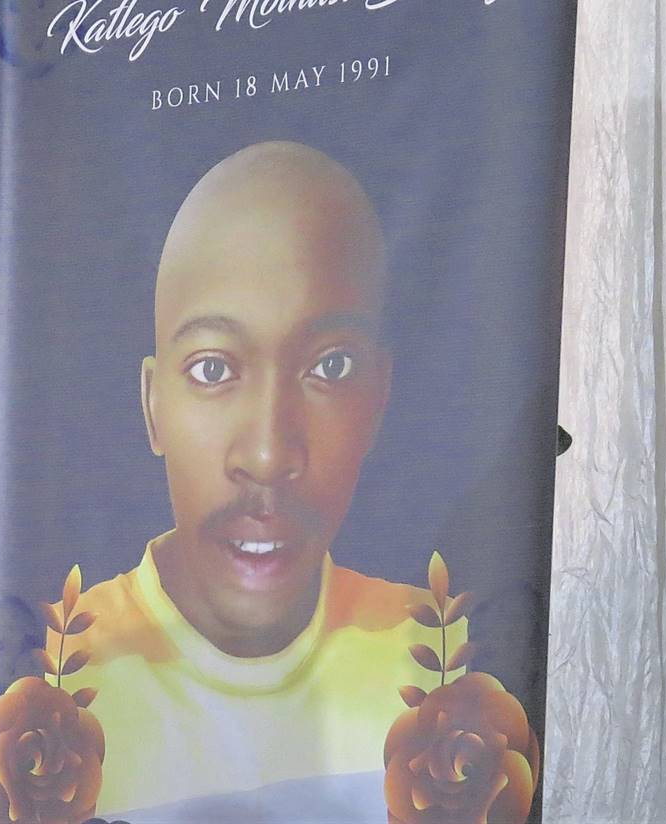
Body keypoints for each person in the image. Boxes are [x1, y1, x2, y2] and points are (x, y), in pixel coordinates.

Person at [50, 141, 464, 819]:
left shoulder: (446, 675)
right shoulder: (51, 684)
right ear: (152, 406)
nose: (269, 455)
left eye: (330, 367)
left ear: (379, 399)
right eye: (213, 369)